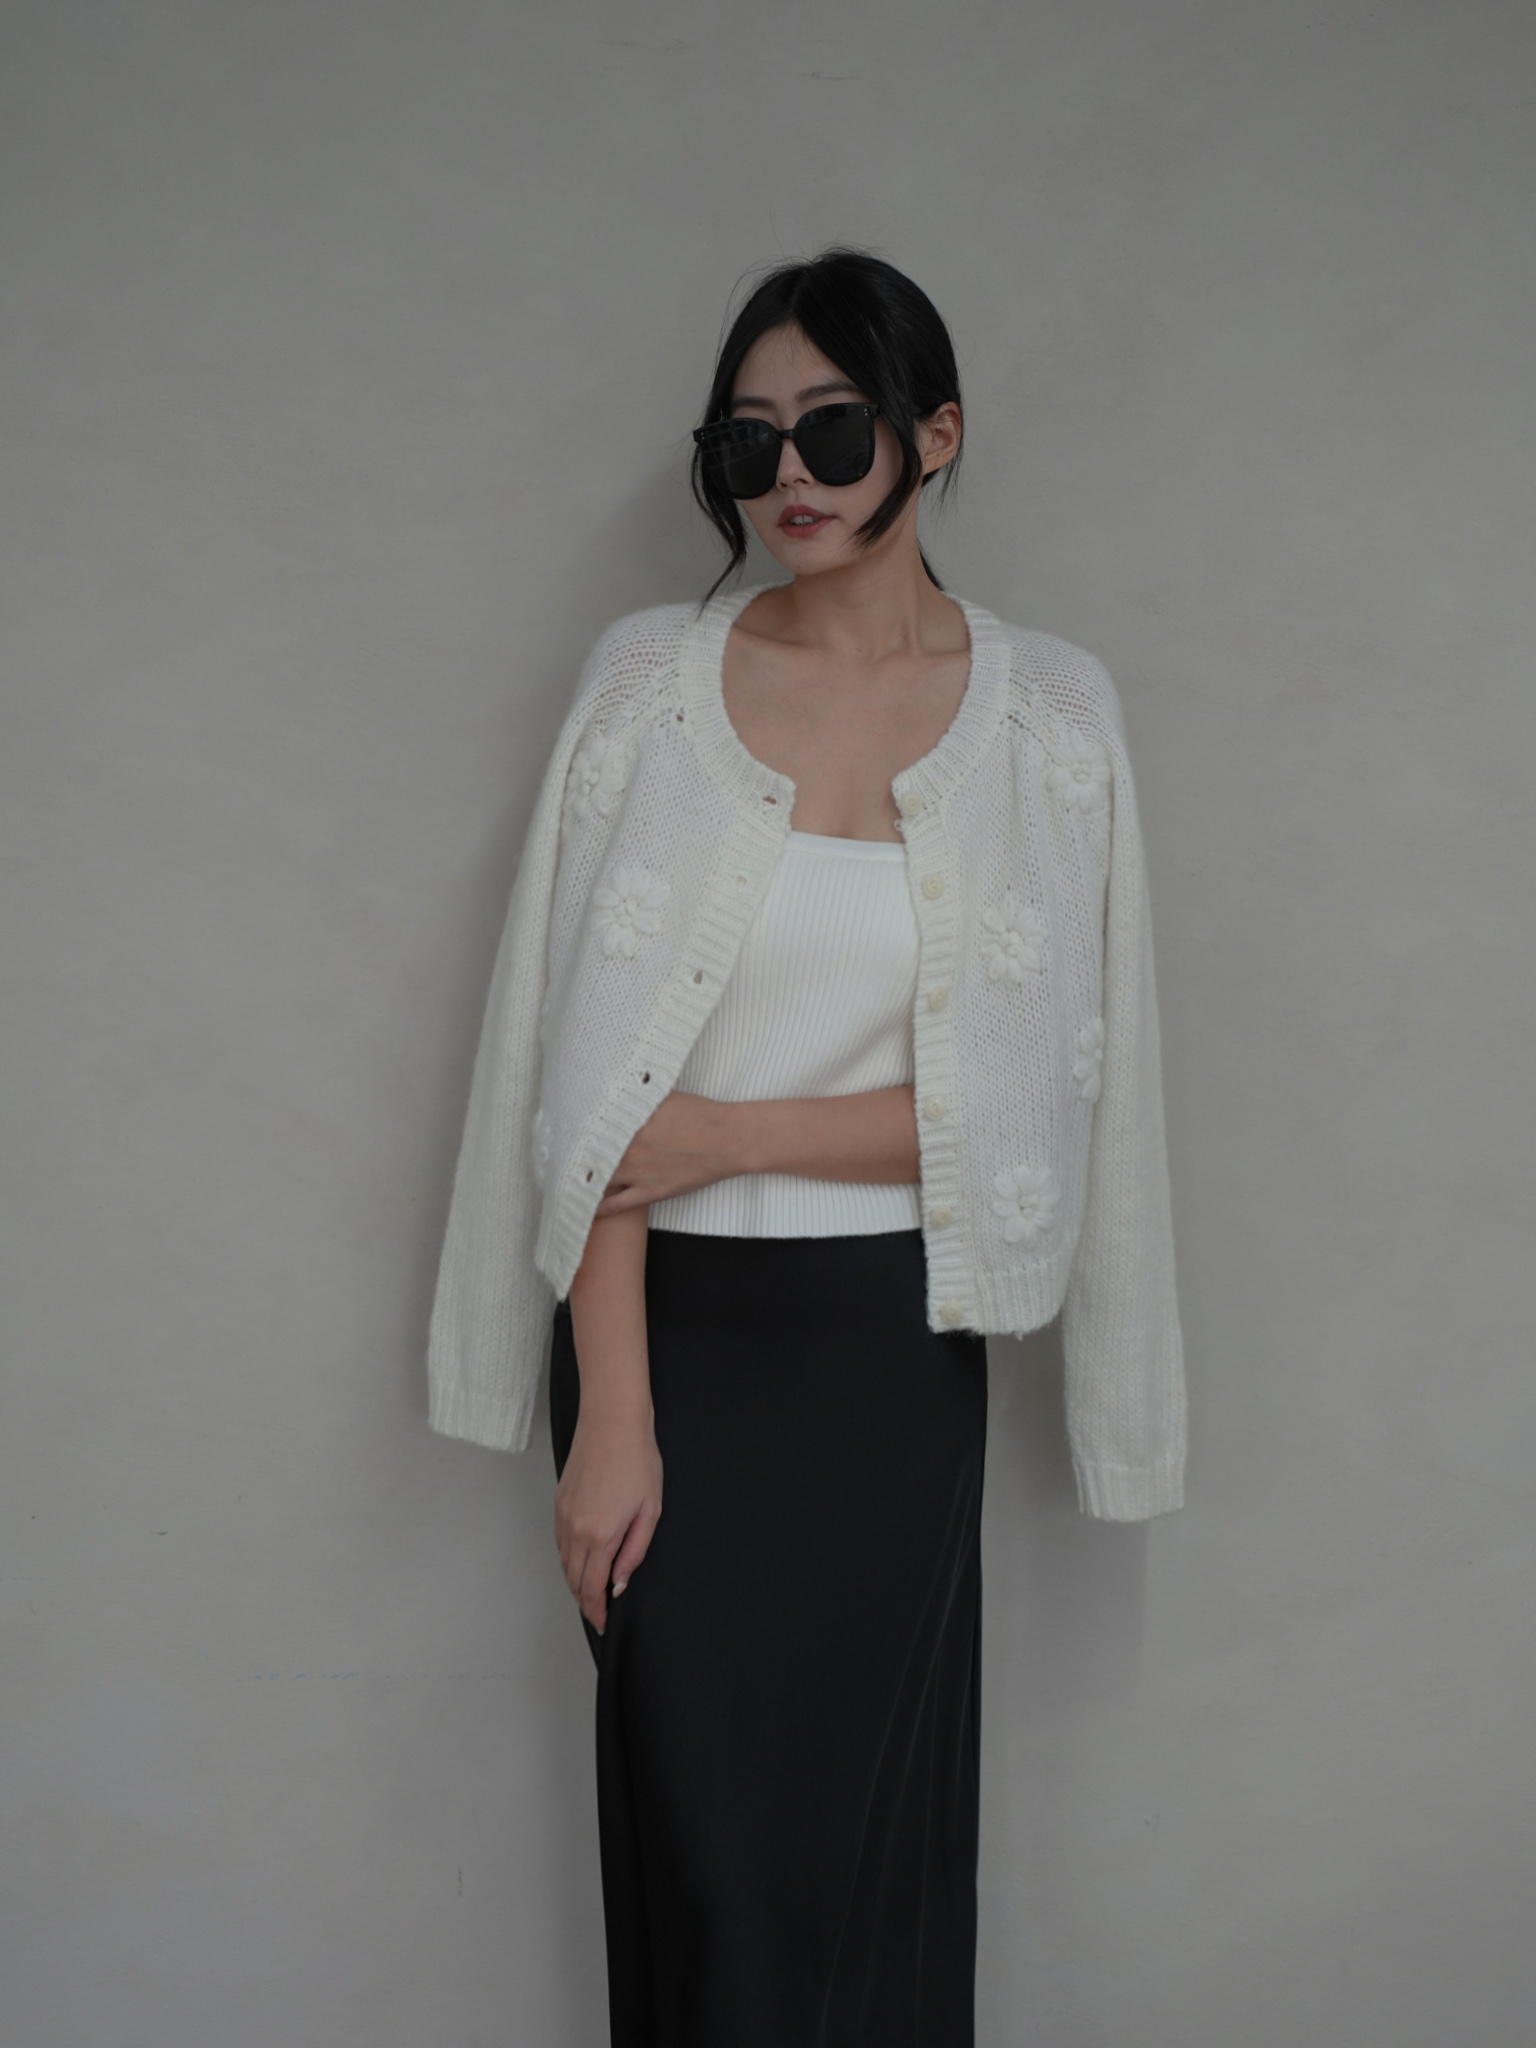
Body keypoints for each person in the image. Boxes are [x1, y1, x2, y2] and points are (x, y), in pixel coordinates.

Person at [427, 244, 1188, 2048]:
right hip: (665, 1347)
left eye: (835, 430)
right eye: (747, 441)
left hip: (887, 1365)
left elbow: (1039, 1109)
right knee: (712, 1876)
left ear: (937, 434)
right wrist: (612, 1419)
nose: (791, 477)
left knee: (860, 1871)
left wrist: (723, 1130)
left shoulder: (1055, 717)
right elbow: (582, 1103)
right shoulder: (648, 685)